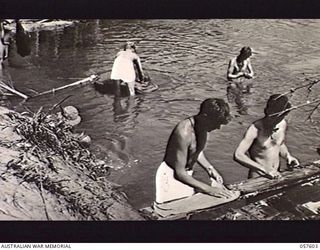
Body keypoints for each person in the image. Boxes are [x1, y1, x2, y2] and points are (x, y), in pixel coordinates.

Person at [155, 98, 238, 204]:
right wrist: (210, 189)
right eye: (217, 123)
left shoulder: (203, 127)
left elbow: (196, 151)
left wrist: (211, 169)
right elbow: (179, 173)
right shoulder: (183, 132)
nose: (218, 127)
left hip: (187, 174)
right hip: (170, 175)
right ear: (205, 117)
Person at [234, 94, 300, 179]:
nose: (277, 120)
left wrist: (288, 156)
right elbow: (238, 155)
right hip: (259, 176)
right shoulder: (255, 128)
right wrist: (264, 169)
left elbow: (279, 144)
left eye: (281, 117)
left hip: (276, 174)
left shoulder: (282, 124)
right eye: (274, 117)